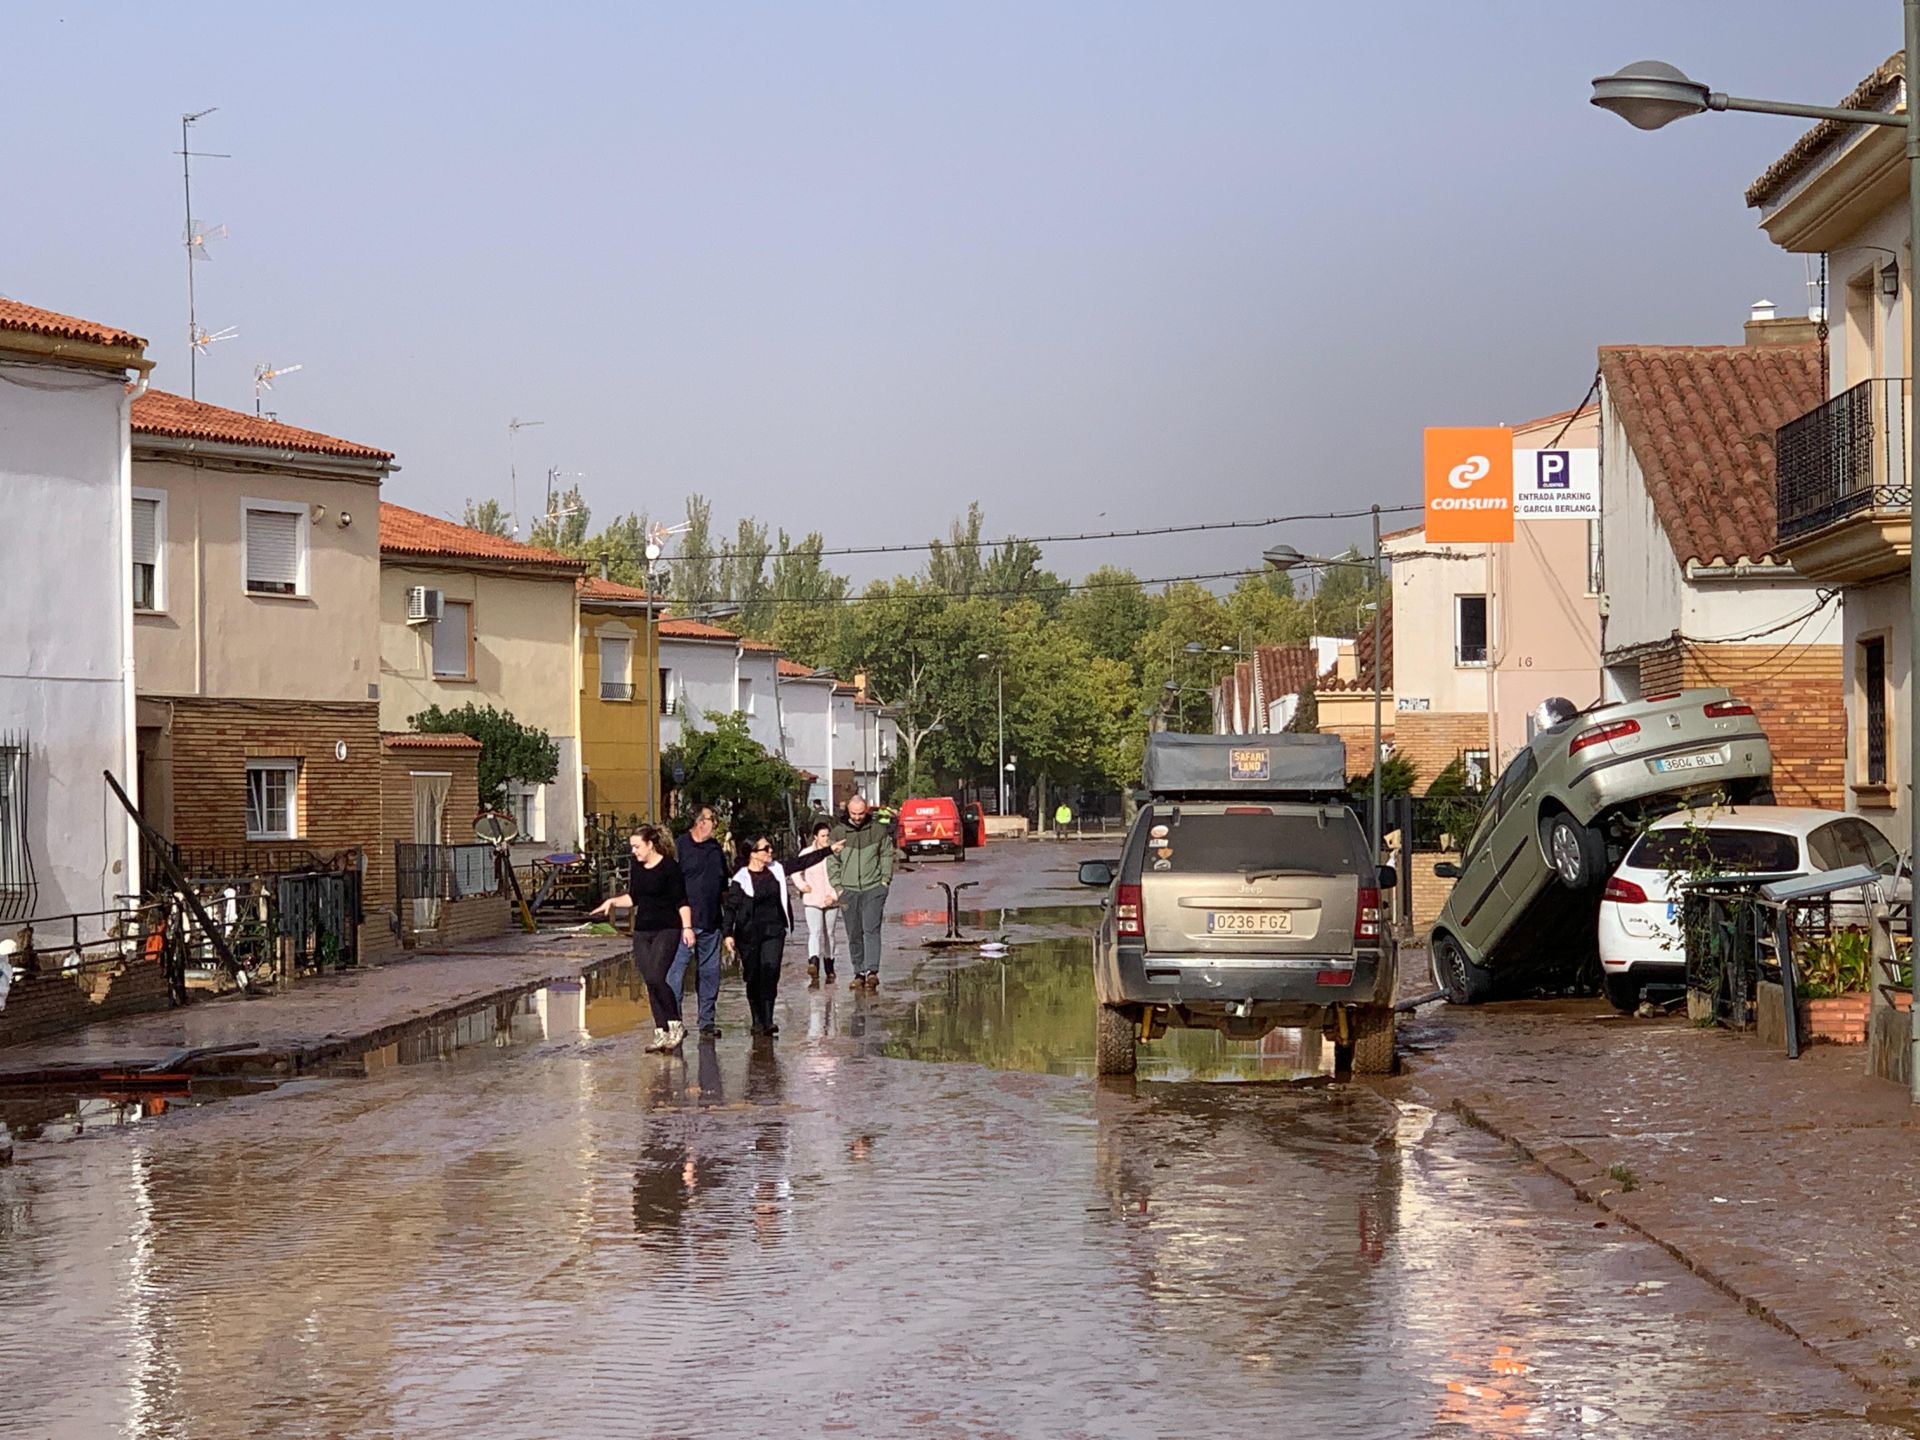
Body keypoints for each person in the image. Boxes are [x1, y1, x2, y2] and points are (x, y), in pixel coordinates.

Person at [588, 826, 695, 1053]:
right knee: (649, 981)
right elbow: (634, 897)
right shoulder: (637, 867)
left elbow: (681, 900)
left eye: (637, 846)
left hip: (667, 929)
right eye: (632, 847)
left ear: (650, 844)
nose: (634, 851)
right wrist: (612, 902)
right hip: (643, 931)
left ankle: (675, 1024)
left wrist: (687, 927)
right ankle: (661, 1032)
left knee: (657, 977)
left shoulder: (669, 867)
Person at [721, 831, 838, 1037]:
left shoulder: (776, 869)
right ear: (753, 854)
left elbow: (802, 862)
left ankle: (768, 1020)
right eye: (766, 848)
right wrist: (728, 934)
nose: (770, 851)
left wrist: (829, 850)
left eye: (770, 847)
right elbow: (731, 907)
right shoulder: (741, 879)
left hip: (774, 931)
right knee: (754, 976)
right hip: (748, 934)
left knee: (771, 972)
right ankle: (757, 1019)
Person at [668, 804, 728, 1039]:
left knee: (710, 974)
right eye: (712, 819)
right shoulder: (679, 847)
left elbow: (723, 884)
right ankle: (674, 1023)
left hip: (712, 923)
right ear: (700, 822)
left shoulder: (716, 850)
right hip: (684, 924)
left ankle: (707, 1022)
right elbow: (671, 886)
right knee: (676, 974)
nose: (715, 824)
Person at [829, 794, 894, 991]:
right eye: (853, 814)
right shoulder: (838, 832)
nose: (857, 817)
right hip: (848, 890)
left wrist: (885, 880)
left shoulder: (877, 830)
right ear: (847, 812)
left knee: (871, 929)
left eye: (860, 813)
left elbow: (886, 854)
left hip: (873, 887)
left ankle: (872, 971)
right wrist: (838, 887)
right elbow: (831, 860)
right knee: (854, 932)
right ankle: (859, 972)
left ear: (866, 811)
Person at [791, 819, 842, 985]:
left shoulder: (835, 852)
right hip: (812, 899)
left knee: (830, 933)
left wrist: (834, 895)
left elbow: (843, 877)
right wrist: (802, 885)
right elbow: (795, 871)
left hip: (831, 900)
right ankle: (813, 962)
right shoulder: (806, 853)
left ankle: (829, 965)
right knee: (815, 931)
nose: (826, 838)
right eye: (822, 836)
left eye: (827, 835)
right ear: (815, 837)